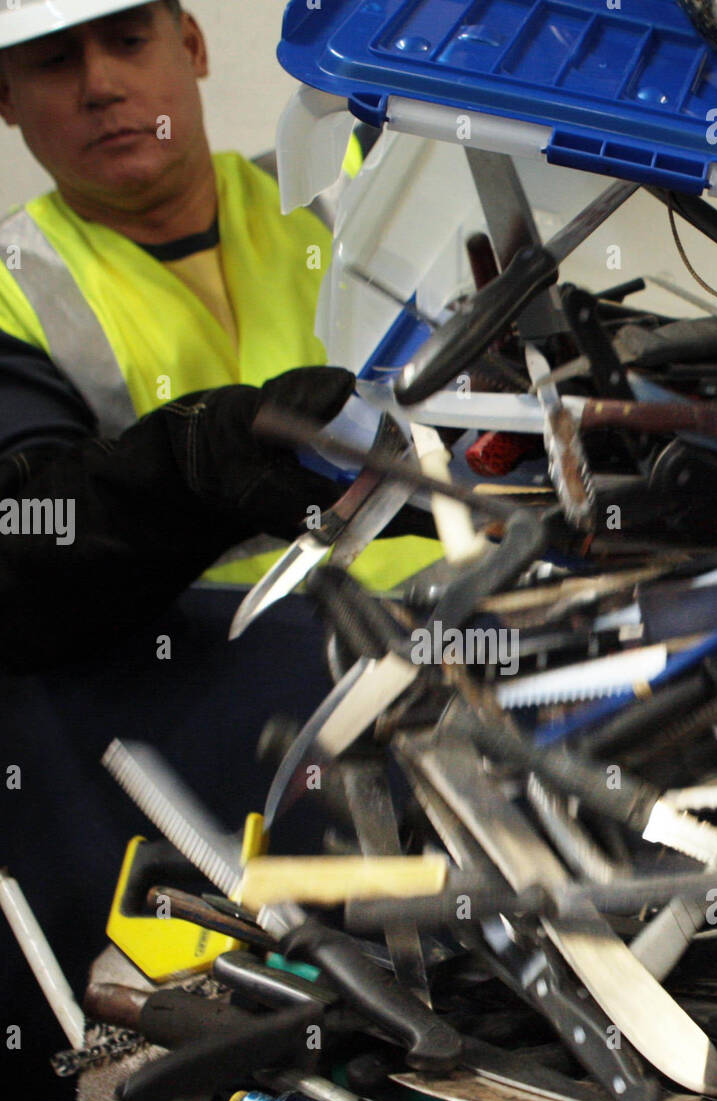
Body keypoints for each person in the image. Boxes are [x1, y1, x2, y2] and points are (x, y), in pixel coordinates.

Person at [0, 0, 436, 670]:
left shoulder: (357, 179)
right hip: (208, 697)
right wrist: (185, 465)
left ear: (194, 46)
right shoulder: (11, 289)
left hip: (469, 625)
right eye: (55, 60)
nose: (100, 86)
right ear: (5, 96)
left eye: (128, 39)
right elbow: (25, 549)